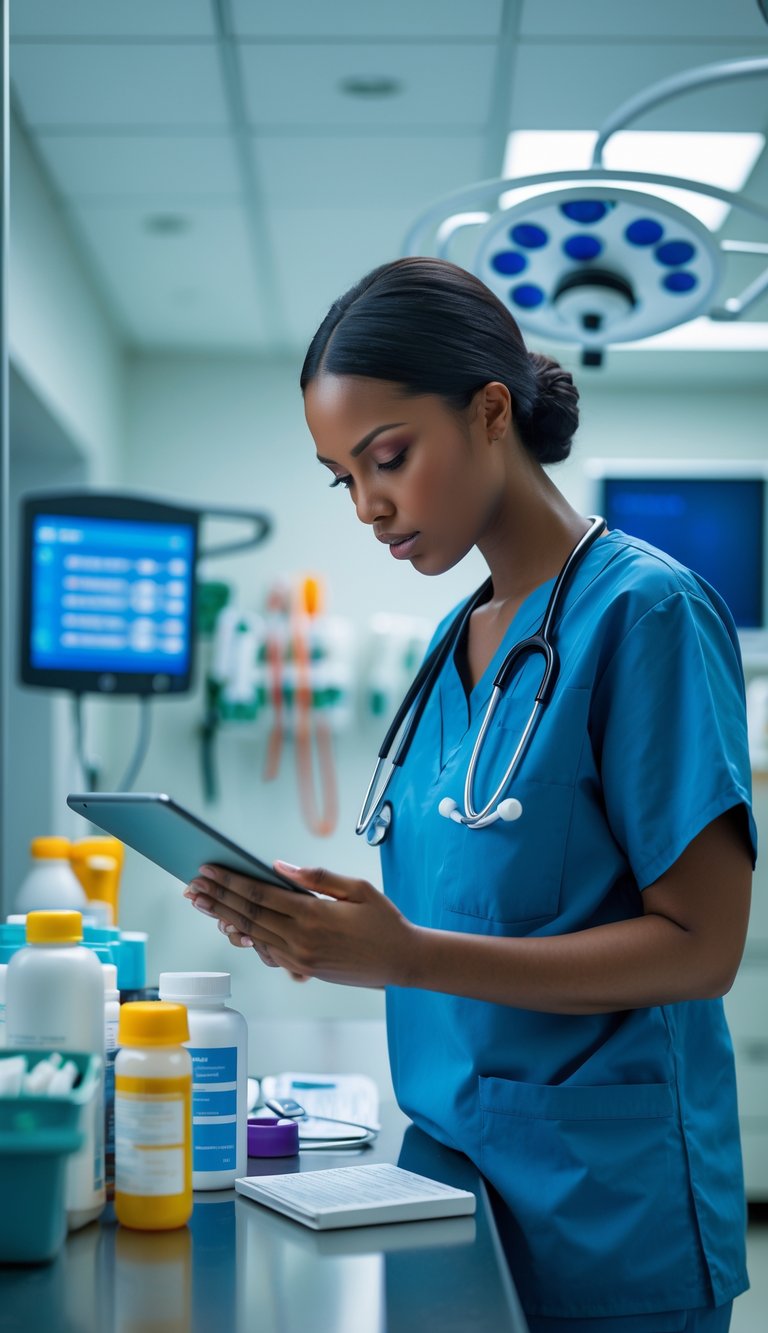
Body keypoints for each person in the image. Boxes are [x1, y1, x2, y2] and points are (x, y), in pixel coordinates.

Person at [184, 258, 756, 1332]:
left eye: (387, 457)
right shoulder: (462, 636)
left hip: (607, 1211)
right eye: (340, 478)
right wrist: (340, 926)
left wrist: (403, 957)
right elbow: (480, 895)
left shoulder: (648, 615)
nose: (368, 505)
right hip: (451, 1172)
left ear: (492, 411)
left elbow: (701, 948)